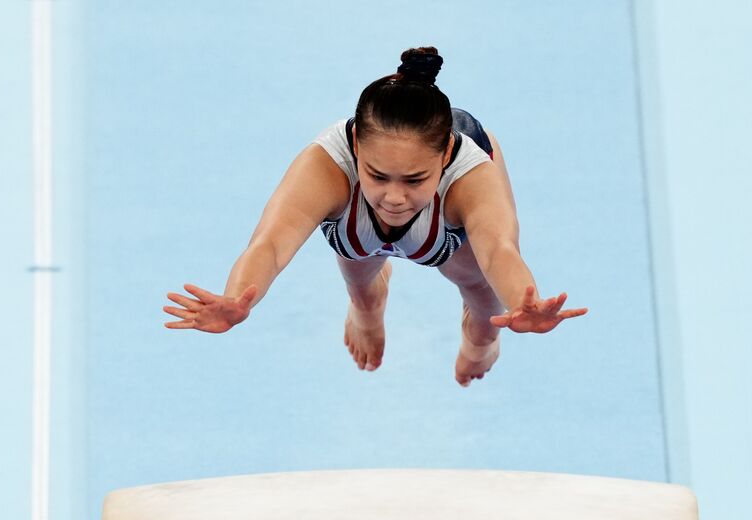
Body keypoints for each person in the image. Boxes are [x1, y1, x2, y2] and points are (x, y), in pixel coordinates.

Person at [162, 47, 586, 387]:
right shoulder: (326, 168)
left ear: (444, 158)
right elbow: (270, 245)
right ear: (357, 152)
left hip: (448, 224)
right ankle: (367, 309)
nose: (395, 198)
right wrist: (238, 298)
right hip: (358, 226)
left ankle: (478, 345)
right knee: (361, 279)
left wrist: (519, 301)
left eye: (415, 180)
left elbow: (498, 251)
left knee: (483, 301)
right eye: (378, 176)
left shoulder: (471, 176)